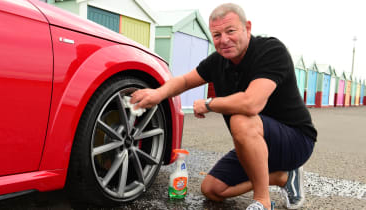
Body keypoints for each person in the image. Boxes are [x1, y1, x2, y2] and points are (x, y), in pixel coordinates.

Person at [131, 3, 316, 210]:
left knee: (240, 118)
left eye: (230, 31)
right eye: (216, 35)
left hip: (295, 141)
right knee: (212, 190)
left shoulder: (271, 51)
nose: (224, 40)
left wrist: (210, 104)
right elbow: (184, 81)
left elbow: (251, 103)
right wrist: (157, 94)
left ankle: (262, 201)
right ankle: (282, 177)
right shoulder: (218, 61)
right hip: (254, 143)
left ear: (247, 27)